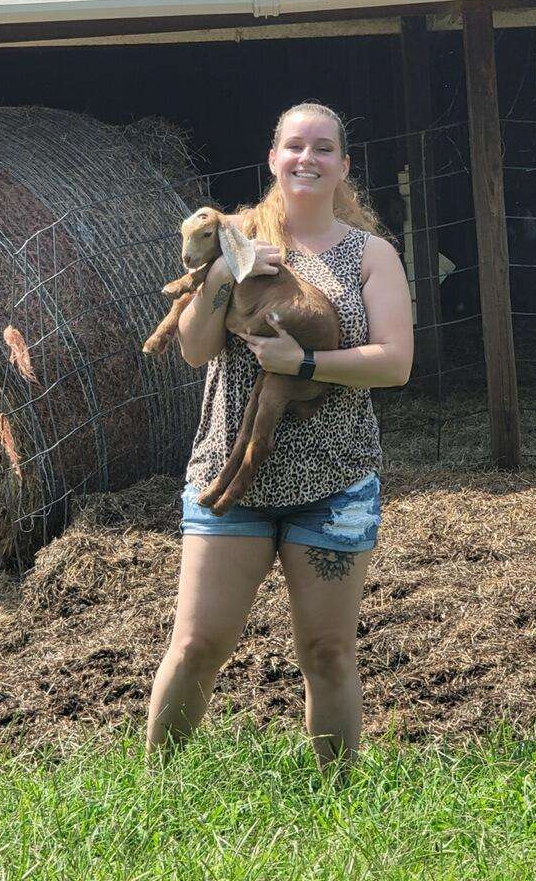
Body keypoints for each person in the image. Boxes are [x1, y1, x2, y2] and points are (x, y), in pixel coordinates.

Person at [146, 101, 414, 772]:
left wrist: (307, 365)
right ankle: (155, 791)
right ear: (272, 158)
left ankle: (337, 801)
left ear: (343, 166)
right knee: (197, 644)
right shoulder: (236, 236)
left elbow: (396, 362)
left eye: (324, 148)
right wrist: (219, 279)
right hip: (228, 480)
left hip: (335, 482)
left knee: (328, 653)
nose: (307, 159)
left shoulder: (370, 254)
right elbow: (196, 351)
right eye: (295, 146)